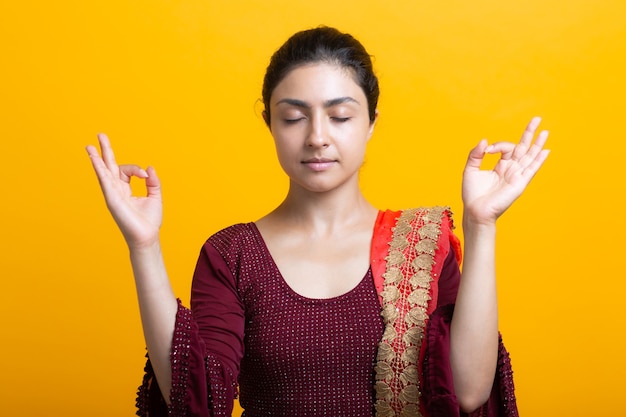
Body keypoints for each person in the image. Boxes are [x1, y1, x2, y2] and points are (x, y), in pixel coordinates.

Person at [86, 26, 549, 417]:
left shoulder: (424, 243)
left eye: (340, 115)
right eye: (294, 118)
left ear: (370, 123)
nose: (317, 137)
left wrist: (481, 225)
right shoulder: (232, 254)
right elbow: (199, 402)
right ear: (270, 124)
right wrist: (143, 246)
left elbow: (468, 393)